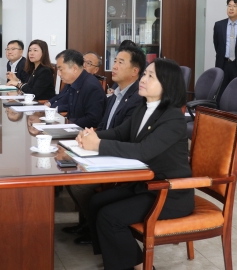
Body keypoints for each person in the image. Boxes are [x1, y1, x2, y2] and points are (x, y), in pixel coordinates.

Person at [77, 59, 193, 270]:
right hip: (145, 185)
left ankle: (140, 267)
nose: (143, 79)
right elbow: (120, 132)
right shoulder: (143, 107)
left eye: (151, 76)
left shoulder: (173, 118)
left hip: (168, 193)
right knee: (96, 202)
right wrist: (91, 136)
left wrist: (98, 145)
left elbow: (143, 152)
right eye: (144, 74)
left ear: (167, 84)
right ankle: (116, 256)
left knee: (109, 217)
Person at [63, 45, 146, 243]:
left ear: (135, 71)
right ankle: (88, 223)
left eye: (120, 62)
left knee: (78, 184)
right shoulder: (116, 93)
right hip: (104, 147)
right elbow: (103, 125)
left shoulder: (137, 99)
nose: (114, 66)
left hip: (118, 155)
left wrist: (96, 140)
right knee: (66, 168)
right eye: (114, 61)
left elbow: (124, 136)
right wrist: (90, 135)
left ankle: (95, 230)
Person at [49, 49, 106, 128]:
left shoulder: (91, 87)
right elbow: (72, 114)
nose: (58, 74)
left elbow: (93, 120)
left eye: (61, 69)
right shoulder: (74, 83)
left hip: (83, 132)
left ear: (75, 68)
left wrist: (66, 124)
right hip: (72, 129)